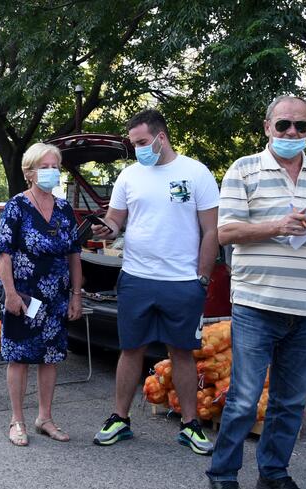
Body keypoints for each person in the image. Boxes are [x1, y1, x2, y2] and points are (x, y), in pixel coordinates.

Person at [207, 95, 306, 489]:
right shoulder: (244, 169)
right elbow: (225, 232)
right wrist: (277, 225)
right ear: (267, 126)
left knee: (290, 401)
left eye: (301, 126)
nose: (292, 132)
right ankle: (223, 476)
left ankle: (273, 473)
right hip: (256, 302)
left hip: (305, 306)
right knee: (244, 399)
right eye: (284, 124)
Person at [89, 109, 219, 456]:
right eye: (134, 144)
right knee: (131, 349)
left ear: (161, 137)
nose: (138, 150)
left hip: (182, 282)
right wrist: (106, 228)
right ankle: (120, 418)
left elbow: (211, 231)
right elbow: (115, 220)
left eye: (143, 142)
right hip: (136, 278)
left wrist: (202, 278)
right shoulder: (130, 175)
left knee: (182, 352)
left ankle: (190, 425)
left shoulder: (196, 173)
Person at [0, 143, 83, 446]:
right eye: (44, 167)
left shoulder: (64, 209)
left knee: (51, 357)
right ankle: (17, 420)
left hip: (56, 298)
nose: (51, 172)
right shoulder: (16, 206)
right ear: (29, 172)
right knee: (19, 357)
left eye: (54, 166)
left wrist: (76, 295)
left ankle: (44, 418)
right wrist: (10, 293)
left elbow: (74, 254)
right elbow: (3, 253)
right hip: (24, 296)